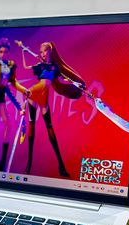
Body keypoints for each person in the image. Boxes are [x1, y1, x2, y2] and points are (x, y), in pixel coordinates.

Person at [20, 40, 85, 177]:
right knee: (32, 126)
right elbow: (25, 67)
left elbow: (62, 80)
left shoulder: (55, 67)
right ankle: (29, 165)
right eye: (41, 52)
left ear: (50, 52)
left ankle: (61, 166)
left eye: (45, 51)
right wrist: (23, 52)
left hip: (44, 97)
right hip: (33, 94)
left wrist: (75, 84)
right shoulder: (40, 65)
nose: (43, 54)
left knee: (50, 128)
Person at [0, 40, 29, 171]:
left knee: (8, 124)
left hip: (2, 96)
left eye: (5, 52)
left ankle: (2, 160)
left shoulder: (11, 65)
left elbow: (13, 83)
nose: (3, 54)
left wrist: (24, 91)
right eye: (1, 52)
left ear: (8, 53)